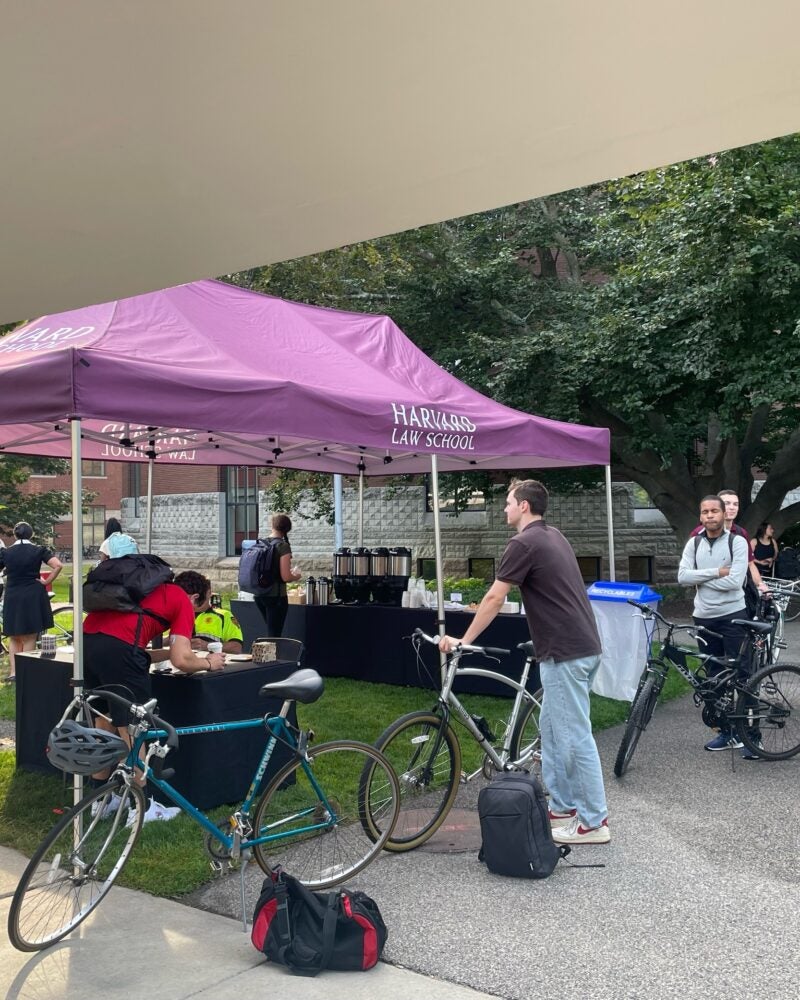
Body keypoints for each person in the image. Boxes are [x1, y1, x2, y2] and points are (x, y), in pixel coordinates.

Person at [439, 479, 609, 845]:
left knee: (576, 736)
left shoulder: (523, 543)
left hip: (566, 652)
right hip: (578, 646)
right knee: (551, 732)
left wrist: (463, 641)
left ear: (524, 507)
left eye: (508, 502)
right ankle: (562, 807)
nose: (504, 509)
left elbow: (494, 598)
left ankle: (595, 822)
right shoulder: (553, 536)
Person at [83, 534, 224, 823]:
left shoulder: (128, 586)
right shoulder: (178, 600)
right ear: (195, 598)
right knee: (134, 732)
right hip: (120, 653)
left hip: (88, 645)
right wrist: (210, 662)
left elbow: (136, 648)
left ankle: (101, 800)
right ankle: (142, 809)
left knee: (103, 725)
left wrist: (166, 652)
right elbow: (182, 661)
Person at [677, 495, 752, 753]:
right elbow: (682, 576)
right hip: (704, 617)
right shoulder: (693, 543)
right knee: (713, 678)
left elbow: (735, 582)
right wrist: (716, 572)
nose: (710, 516)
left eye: (714, 511)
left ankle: (751, 736)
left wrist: (699, 579)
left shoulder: (737, 542)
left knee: (742, 676)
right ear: (701, 516)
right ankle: (726, 732)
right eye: (705, 512)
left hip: (734, 616)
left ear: (723, 515)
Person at [0, 522, 62, 682]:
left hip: (13, 594)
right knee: (29, 636)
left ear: (15, 534)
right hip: (33, 594)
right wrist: (46, 581)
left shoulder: (6, 552)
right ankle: (26, 672)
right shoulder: (39, 550)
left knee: (14, 636)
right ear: (31, 534)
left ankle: (14, 673)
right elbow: (58, 565)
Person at [254, 514, 301, 638]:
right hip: (276, 597)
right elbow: (286, 577)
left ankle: (268, 655)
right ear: (287, 529)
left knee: (271, 631)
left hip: (259, 594)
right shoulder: (282, 546)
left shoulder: (261, 543)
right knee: (274, 635)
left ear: (272, 525)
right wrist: (296, 576)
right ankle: (272, 657)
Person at [173, 570, 243, 654]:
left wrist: (207, 645)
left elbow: (236, 647)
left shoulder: (223, 616)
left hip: (212, 662)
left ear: (208, 592)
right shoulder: (176, 615)